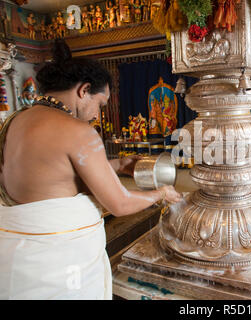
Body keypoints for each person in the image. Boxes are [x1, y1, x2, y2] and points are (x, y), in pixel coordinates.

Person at [0, 40, 182, 299]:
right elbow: (120, 204)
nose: (98, 114)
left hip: (15, 254)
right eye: (100, 103)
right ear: (84, 90)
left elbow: (56, 175)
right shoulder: (78, 131)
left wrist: (118, 165)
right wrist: (161, 193)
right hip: (59, 261)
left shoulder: (16, 120)